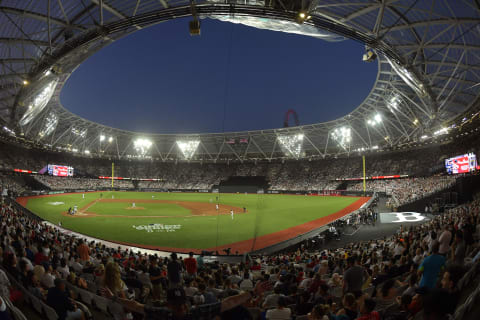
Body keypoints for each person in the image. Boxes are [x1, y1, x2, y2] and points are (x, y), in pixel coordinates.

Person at [102, 286, 258, 320]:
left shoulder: (163, 314)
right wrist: (114, 298)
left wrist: (252, 293)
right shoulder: (197, 313)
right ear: (169, 304)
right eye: (177, 305)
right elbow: (135, 306)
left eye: (182, 303)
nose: (182, 307)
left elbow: (229, 303)